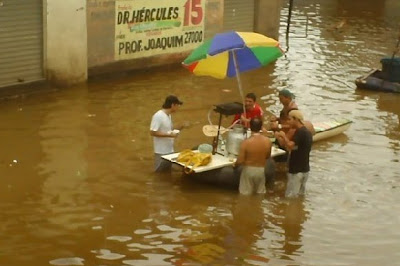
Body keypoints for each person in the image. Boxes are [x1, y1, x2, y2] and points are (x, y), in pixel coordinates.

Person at [276, 110, 313, 198]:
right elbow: (296, 148)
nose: (288, 122)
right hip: (305, 169)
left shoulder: (300, 132)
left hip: (296, 171)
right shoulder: (307, 132)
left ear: (296, 119)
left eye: (289, 119)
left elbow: (290, 146)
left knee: (290, 197)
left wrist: (283, 136)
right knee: (300, 196)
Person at [234, 118, 272, 195]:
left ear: (250, 127)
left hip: (248, 170)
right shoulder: (267, 141)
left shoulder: (246, 142)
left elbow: (240, 160)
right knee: (260, 195)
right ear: (261, 127)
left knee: (245, 196)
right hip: (261, 170)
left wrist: (235, 165)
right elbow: (268, 156)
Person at [150, 95, 183, 172]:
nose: (178, 107)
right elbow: (152, 132)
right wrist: (170, 135)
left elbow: (168, 130)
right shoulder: (158, 116)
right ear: (173, 105)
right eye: (177, 105)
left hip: (169, 150)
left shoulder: (168, 116)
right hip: (161, 151)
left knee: (167, 172)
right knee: (159, 172)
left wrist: (181, 127)